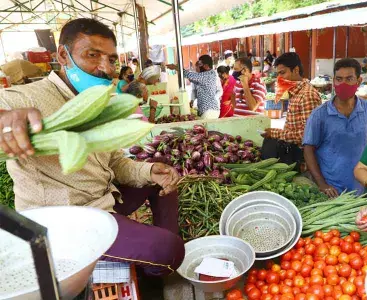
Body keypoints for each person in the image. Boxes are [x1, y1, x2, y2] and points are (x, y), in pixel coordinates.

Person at [0, 18, 184, 277]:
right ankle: (154, 263)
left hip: (103, 201)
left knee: (162, 178)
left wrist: (150, 170)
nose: (104, 67)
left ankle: (145, 254)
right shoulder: (28, 97)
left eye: (111, 59)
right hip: (63, 223)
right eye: (92, 55)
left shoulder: (98, 104)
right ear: (63, 55)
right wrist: (5, 119)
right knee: (169, 250)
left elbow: (115, 163)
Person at [303, 58, 367, 197]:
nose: (343, 84)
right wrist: (322, 184)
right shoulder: (320, 114)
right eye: (339, 79)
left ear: (359, 81)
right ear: (334, 81)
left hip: (359, 186)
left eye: (349, 79)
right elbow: (308, 149)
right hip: (331, 189)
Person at [260, 52, 322, 168]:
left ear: (296, 70)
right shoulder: (295, 93)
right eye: (278, 74)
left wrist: (274, 133)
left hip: (302, 161)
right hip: (293, 155)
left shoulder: (307, 95)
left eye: (283, 73)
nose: (280, 78)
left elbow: (307, 135)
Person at [167, 55, 222, 119]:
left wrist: (177, 68)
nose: (198, 67)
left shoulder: (207, 75)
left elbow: (189, 75)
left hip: (209, 111)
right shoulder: (209, 74)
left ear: (206, 66)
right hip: (209, 111)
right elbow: (192, 79)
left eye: (200, 64)